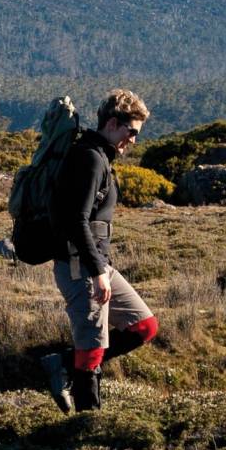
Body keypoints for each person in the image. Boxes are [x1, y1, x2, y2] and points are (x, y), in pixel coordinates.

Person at [40, 90, 160, 412]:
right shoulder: (90, 158)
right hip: (81, 266)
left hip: (96, 263)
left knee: (144, 326)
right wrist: (97, 272)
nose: (133, 140)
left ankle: (61, 363)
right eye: (131, 132)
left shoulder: (99, 155)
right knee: (91, 348)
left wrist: (102, 268)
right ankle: (88, 422)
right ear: (112, 123)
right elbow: (76, 220)